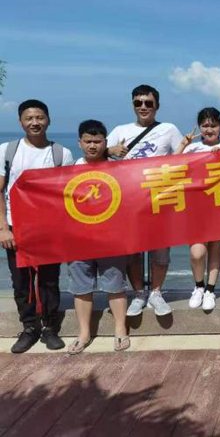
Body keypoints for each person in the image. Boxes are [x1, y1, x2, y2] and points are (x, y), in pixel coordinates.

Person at [0, 99, 74, 353]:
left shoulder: (61, 154)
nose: (35, 122)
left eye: (40, 117)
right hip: (16, 226)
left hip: (49, 228)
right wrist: (3, 228)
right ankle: (29, 327)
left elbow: (68, 194)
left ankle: (50, 327)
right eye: (29, 118)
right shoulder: (7, 151)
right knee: (21, 281)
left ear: (48, 120)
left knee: (49, 280)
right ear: (20, 121)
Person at [106, 84, 183, 317]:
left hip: (160, 199)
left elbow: (186, 158)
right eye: (138, 103)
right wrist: (110, 150)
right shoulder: (120, 130)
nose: (143, 107)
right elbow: (96, 153)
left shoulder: (169, 129)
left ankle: (156, 293)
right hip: (129, 202)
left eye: (148, 103)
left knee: (161, 252)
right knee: (133, 252)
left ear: (157, 105)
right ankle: (139, 293)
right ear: (132, 105)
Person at [66, 120, 129, 354]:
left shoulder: (118, 168)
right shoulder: (70, 169)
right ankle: (84, 333)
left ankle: (121, 329)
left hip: (111, 239)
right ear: (79, 143)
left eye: (97, 141)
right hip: (78, 239)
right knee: (81, 287)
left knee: (115, 285)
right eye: (88, 141)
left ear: (105, 142)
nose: (92, 145)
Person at [175, 108, 220, 313]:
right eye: (205, 125)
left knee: (215, 249)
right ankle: (198, 286)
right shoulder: (192, 149)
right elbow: (169, 166)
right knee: (197, 252)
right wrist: (182, 144)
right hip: (195, 206)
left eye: (213, 125)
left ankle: (210, 290)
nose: (209, 129)